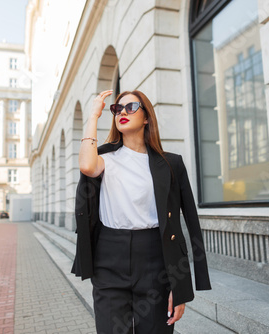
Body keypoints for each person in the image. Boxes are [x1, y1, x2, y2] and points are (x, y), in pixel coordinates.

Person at [72, 90, 211, 334]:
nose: (122, 112)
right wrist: (94, 115)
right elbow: (86, 165)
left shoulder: (171, 164)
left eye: (131, 107)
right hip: (109, 257)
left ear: (147, 117)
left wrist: (181, 289)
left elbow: (187, 223)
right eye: (117, 109)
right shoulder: (105, 158)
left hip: (154, 258)